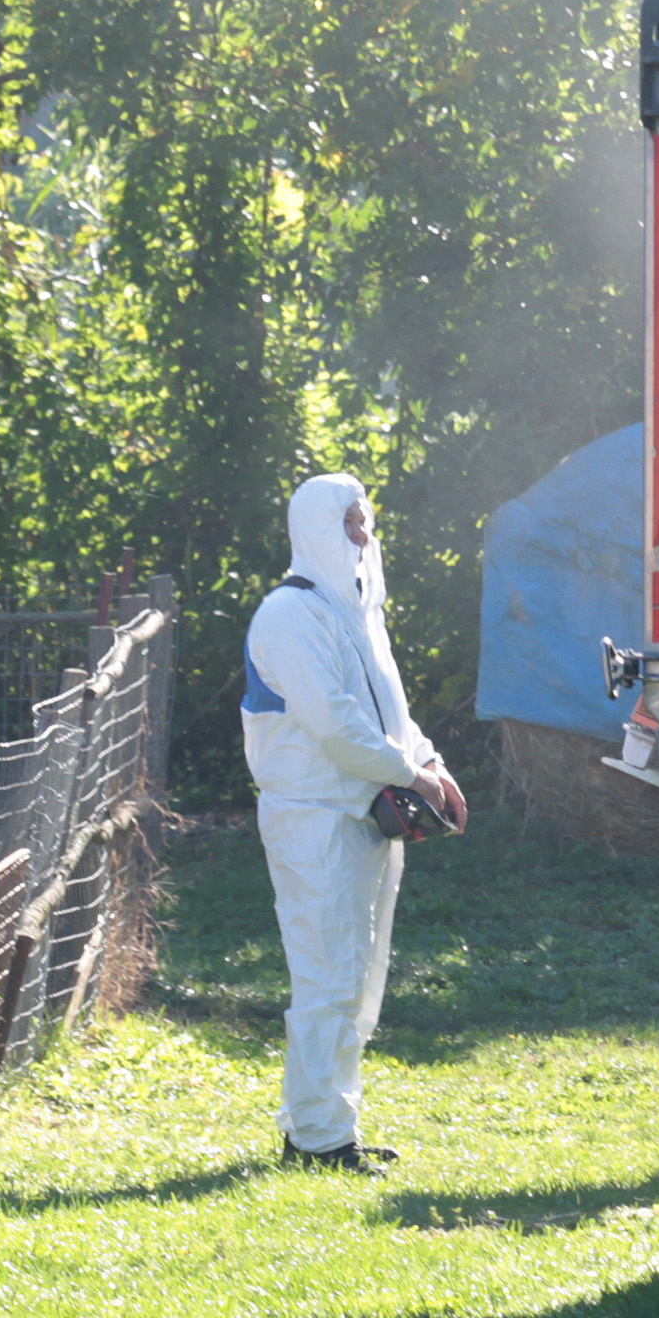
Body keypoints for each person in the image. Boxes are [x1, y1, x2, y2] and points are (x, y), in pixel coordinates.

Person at [241, 472, 463, 1170]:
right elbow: (336, 727)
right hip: (313, 818)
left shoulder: (358, 612)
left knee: (359, 981)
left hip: (362, 812)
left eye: (365, 522)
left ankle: (333, 1128)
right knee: (327, 979)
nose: (364, 537)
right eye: (349, 524)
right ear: (314, 528)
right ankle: (315, 1140)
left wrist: (432, 762)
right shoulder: (289, 614)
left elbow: (387, 714)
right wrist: (411, 774)